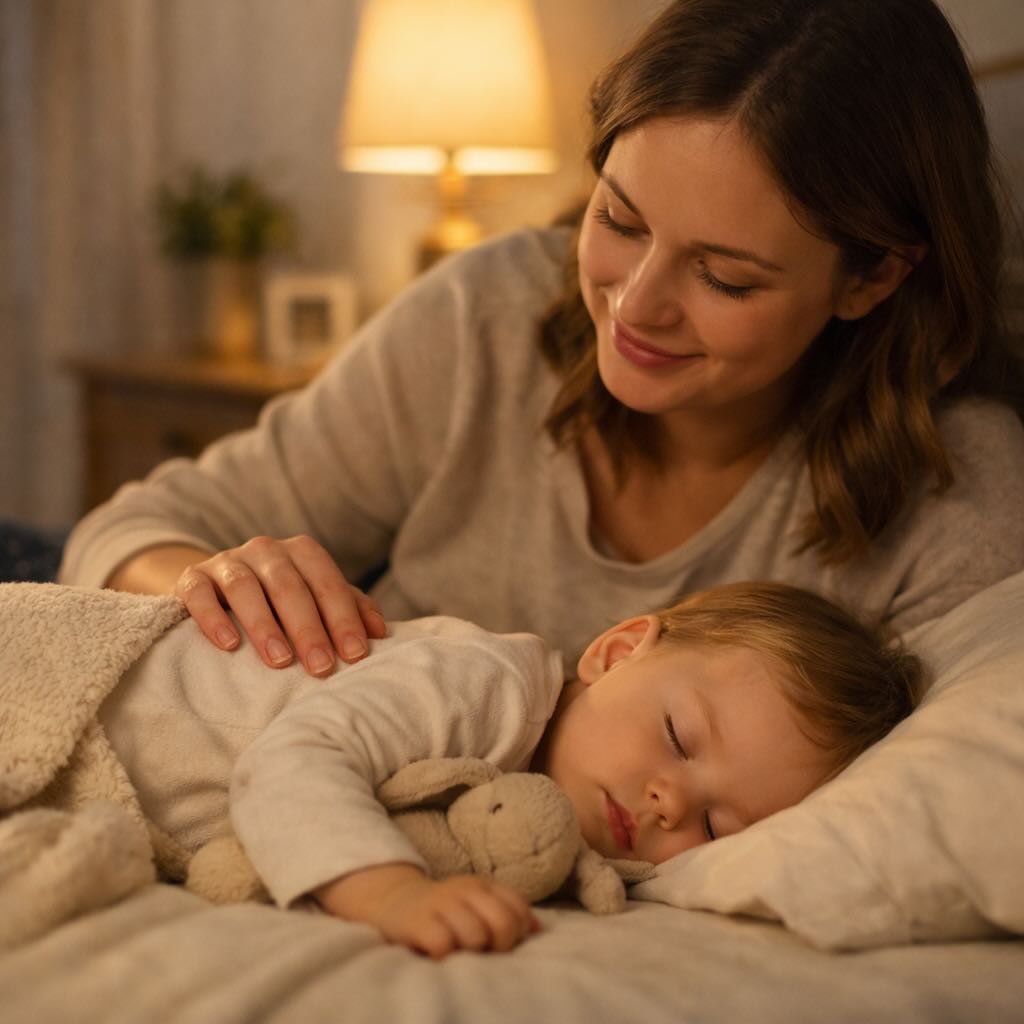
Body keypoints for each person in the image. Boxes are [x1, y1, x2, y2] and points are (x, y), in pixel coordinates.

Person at [60, 0, 1024, 678]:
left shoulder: (957, 500)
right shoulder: (486, 313)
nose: (635, 306)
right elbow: (118, 533)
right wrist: (215, 574)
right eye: (620, 219)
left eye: (724, 275)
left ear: (873, 276)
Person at [96, 581, 921, 958]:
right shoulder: (488, 686)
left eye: (714, 825)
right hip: (94, 687)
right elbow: (290, 763)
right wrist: (388, 893)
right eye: (677, 734)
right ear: (618, 652)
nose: (671, 800)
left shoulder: (539, 832)